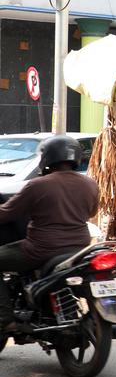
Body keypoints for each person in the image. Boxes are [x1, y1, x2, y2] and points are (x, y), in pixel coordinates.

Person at [0, 135, 99, 331]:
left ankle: (5, 318)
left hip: (41, 249)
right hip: (80, 248)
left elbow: (6, 214)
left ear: (46, 158)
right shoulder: (90, 184)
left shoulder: (37, 185)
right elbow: (92, 212)